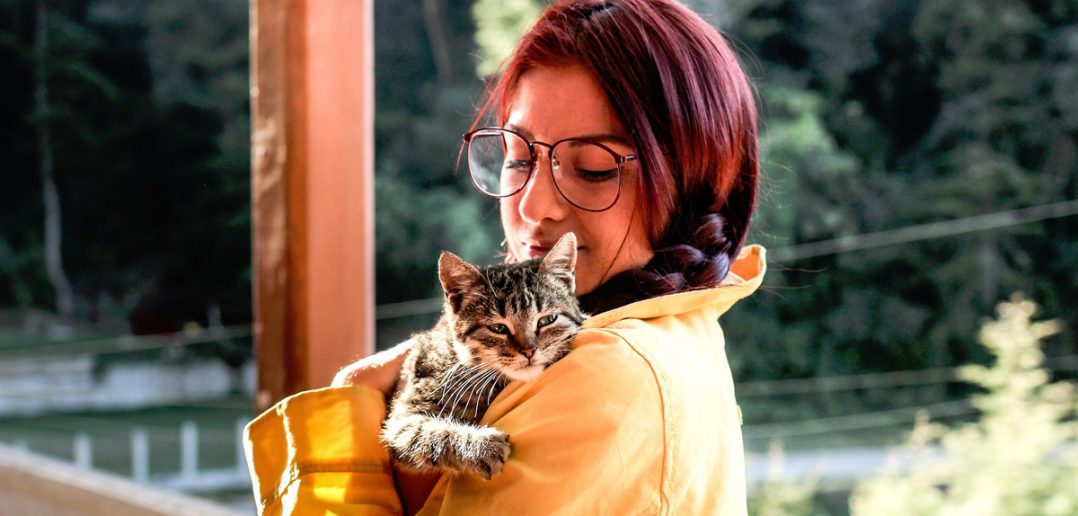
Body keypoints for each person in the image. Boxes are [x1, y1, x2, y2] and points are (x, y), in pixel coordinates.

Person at [244, 0, 765, 513]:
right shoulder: (684, 328)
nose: (534, 207)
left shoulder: (608, 374)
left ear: (694, 187)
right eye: (518, 158)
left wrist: (343, 419)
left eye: (593, 169)